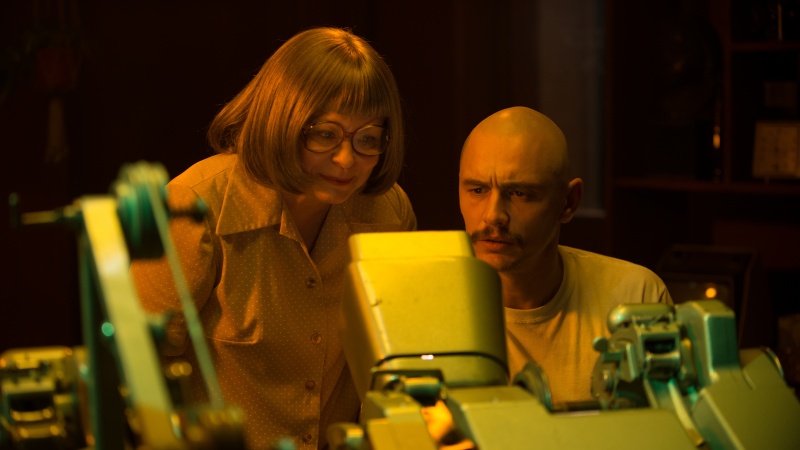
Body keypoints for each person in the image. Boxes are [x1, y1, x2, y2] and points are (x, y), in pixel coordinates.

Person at [130, 27, 416, 449]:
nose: (346, 159)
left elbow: (399, 362)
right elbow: (137, 371)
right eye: (326, 134)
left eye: (368, 139)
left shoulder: (387, 211)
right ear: (283, 120)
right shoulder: (194, 207)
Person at [458, 106, 671, 405]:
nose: (493, 216)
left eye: (519, 193)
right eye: (478, 190)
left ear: (569, 202)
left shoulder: (635, 299)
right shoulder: (429, 304)